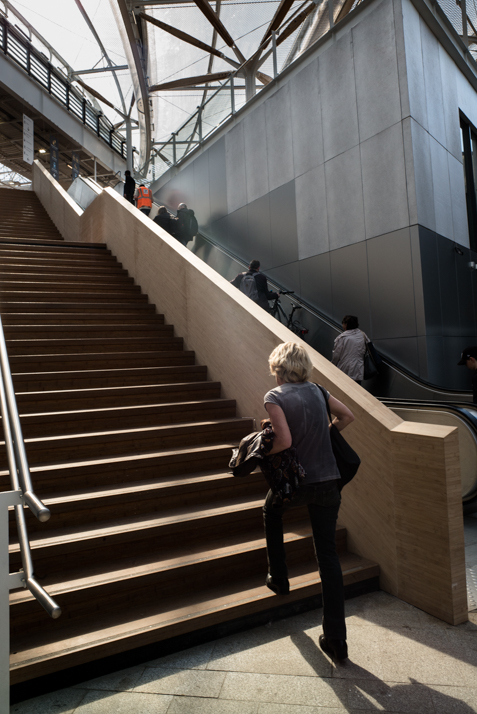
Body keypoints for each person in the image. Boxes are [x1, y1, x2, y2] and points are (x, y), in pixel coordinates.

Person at [263, 341, 354, 661]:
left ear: (278, 370)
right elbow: (348, 416)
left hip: (297, 483)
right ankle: (336, 640)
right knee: (327, 554)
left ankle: (279, 577)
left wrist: (263, 451)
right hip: (329, 482)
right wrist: (326, 432)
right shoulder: (318, 390)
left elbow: (284, 440)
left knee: (270, 511)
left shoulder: (274, 397)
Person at [332, 315, 369, 384]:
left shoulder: (342, 337)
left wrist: (333, 365)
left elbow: (336, 355)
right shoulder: (362, 335)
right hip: (359, 367)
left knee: (344, 388)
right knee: (357, 390)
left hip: (345, 368)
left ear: (346, 324)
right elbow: (368, 347)